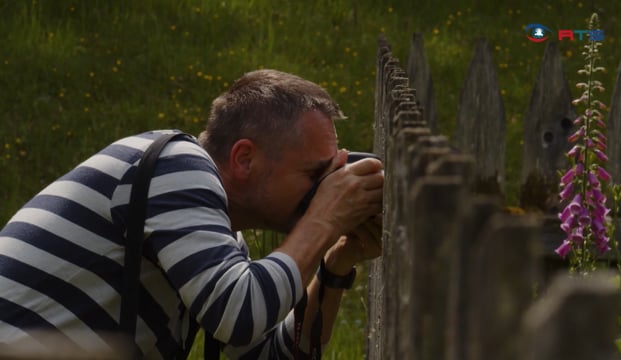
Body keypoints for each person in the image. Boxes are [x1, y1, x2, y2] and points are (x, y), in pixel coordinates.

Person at [0, 69, 384, 359]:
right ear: (244, 159)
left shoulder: (216, 233)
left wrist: (336, 264)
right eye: (314, 174)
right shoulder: (175, 165)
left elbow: (266, 354)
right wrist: (322, 220)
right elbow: (238, 313)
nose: (323, 190)